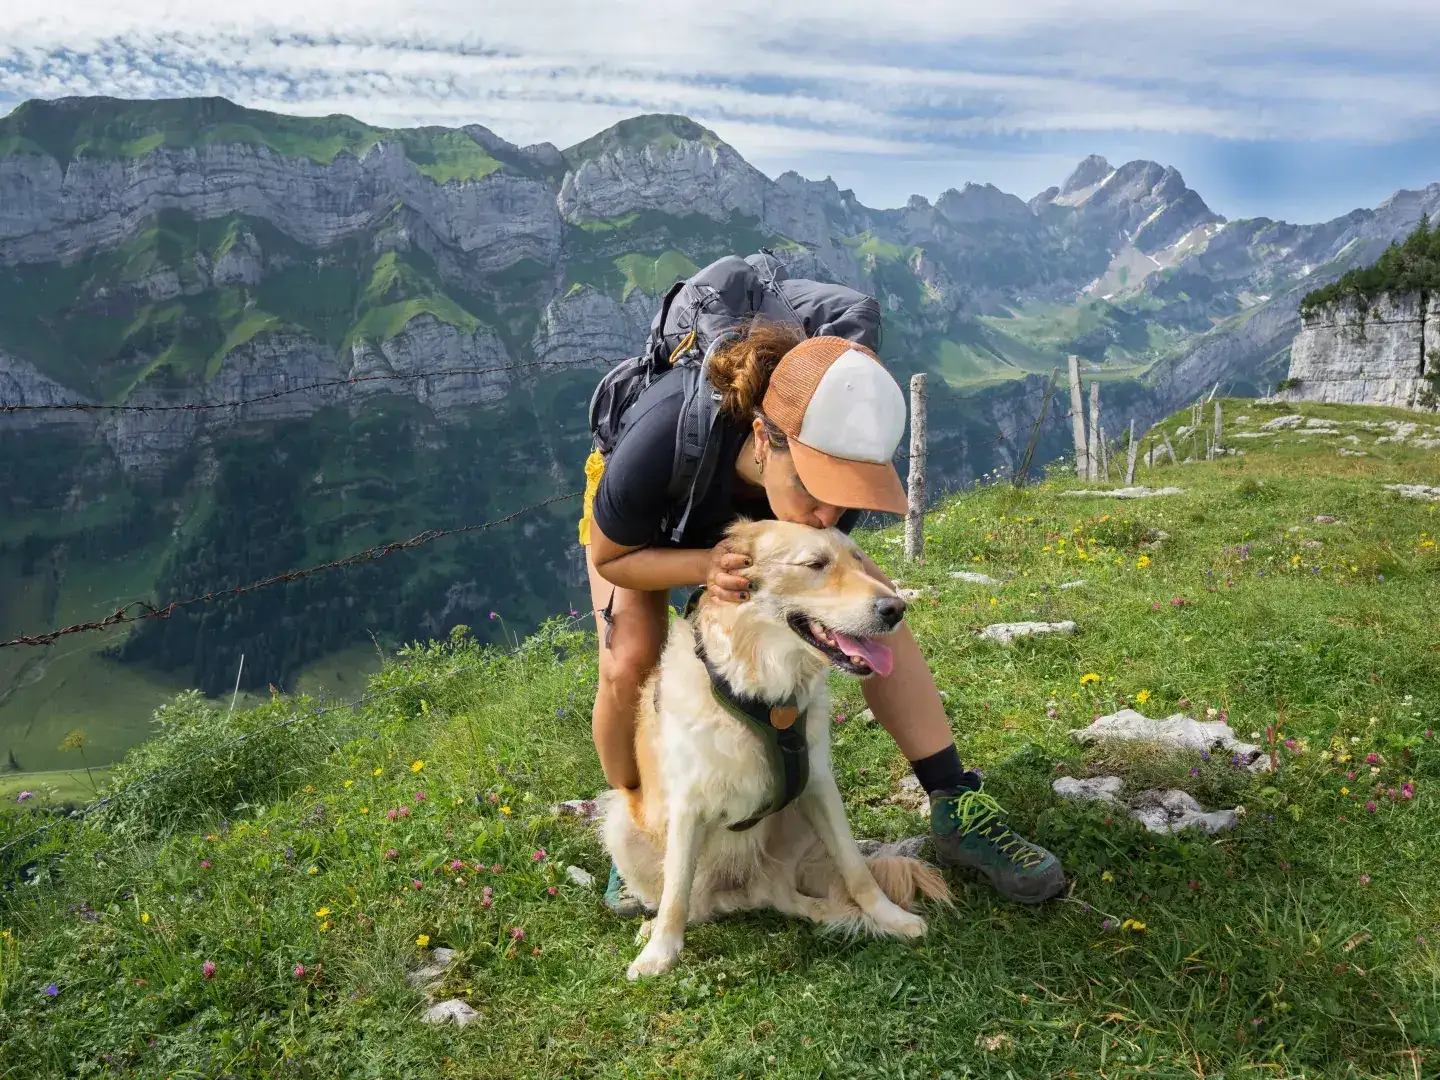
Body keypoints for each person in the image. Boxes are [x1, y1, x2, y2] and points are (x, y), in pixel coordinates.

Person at [578, 324, 1066, 913]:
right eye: (814, 485)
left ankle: (953, 800)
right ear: (762, 437)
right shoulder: (661, 437)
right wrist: (706, 564)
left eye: (845, 492)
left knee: (875, 609)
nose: (828, 511)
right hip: (650, 533)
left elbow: (827, 581)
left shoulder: (826, 481)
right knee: (629, 655)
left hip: (758, 529)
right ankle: (638, 814)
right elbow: (613, 557)